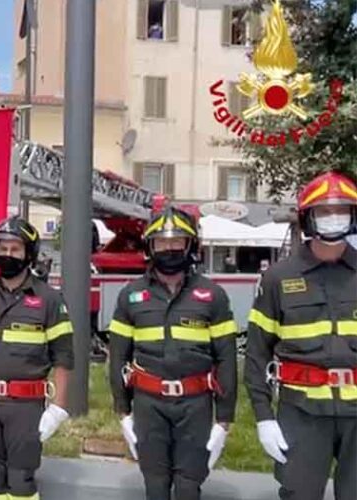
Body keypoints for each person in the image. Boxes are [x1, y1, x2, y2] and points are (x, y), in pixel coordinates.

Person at [108, 206, 238, 500]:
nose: (169, 248)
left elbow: (226, 358)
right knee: (155, 484)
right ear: (149, 246)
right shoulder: (130, 296)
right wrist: (122, 411)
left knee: (189, 485)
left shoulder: (213, 296)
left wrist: (225, 419)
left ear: (191, 245)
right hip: (148, 403)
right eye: (161, 242)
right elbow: (117, 356)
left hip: (195, 404)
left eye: (176, 241)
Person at [245, 171, 357, 500]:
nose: (334, 217)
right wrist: (264, 417)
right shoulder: (279, 278)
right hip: (302, 413)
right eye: (324, 211)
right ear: (308, 217)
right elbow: (256, 354)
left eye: (342, 210)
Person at [0, 216, 74, 500]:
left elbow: (63, 357)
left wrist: (57, 408)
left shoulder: (49, 299)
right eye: (2, 249)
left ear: (28, 254)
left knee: (21, 479)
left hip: (25, 404)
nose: (7, 255)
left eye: (15, 249)